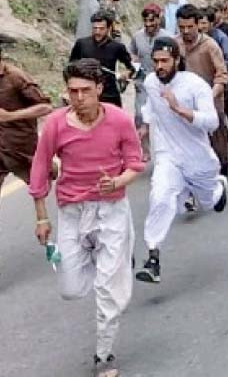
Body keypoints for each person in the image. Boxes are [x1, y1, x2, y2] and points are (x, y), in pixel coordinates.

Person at [29, 59, 144, 377]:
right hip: (72, 211)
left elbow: (135, 163)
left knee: (108, 289)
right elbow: (39, 169)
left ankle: (104, 356)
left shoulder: (120, 121)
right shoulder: (55, 124)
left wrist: (117, 182)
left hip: (111, 210)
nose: (78, 98)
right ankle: (109, 263)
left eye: (85, 91)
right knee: (70, 287)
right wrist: (42, 218)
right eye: (72, 91)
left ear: (100, 89)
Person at [135, 38, 228, 284]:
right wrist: (143, 129)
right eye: (155, 61)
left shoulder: (195, 86)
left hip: (198, 158)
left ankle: (219, 188)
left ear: (177, 60)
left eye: (165, 61)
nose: (159, 66)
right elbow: (150, 108)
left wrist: (180, 110)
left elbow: (212, 122)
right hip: (168, 156)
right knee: (160, 196)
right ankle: (153, 256)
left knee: (209, 202)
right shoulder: (151, 82)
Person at [175, 4, 228, 179]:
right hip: (185, 107)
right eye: (181, 27)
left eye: (189, 27)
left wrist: (208, 96)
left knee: (217, 146)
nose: (185, 31)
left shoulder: (210, 46)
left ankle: (222, 174)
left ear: (198, 24)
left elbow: (222, 76)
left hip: (211, 104)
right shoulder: (175, 45)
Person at [0, 42, 52, 195]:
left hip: (22, 145)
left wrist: (10, 116)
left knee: (39, 189)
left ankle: (49, 167)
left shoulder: (16, 77)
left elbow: (46, 107)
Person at [69, 11, 135, 108]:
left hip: (109, 95)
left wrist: (126, 74)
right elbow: (71, 67)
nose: (97, 32)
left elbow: (131, 68)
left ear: (108, 28)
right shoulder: (81, 44)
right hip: (87, 94)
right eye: (95, 28)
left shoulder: (117, 47)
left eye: (101, 29)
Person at [129, 4, 171, 156]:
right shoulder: (137, 36)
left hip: (162, 82)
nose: (149, 24)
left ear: (159, 19)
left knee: (165, 115)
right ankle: (144, 149)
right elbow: (132, 54)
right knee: (140, 115)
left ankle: (168, 148)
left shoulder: (168, 37)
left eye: (152, 21)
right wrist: (133, 66)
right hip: (143, 80)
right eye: (146, 21)